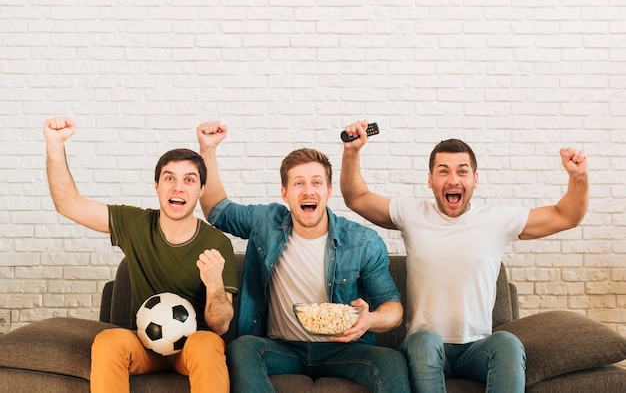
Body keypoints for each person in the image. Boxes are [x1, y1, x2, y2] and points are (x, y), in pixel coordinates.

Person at [340, 120, 589, 393]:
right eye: (443, 171)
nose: (453, 179)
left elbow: (567, 215)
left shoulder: (497, 220)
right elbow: (357, 197)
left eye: (462, 171)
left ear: (475, 179)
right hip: (424, 346)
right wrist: (352, 151)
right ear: (430, 179)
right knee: (425, 342)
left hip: (476, 348)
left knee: (506, 341)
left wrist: (578, 178)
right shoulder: (411, 213)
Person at [196, 120, 411, 393]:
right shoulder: (265, 222)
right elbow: (217, 210)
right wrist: (208, 149)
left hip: (343, 349)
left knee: (391, 361)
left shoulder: (362, 241)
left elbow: (393, 309)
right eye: (299, 183)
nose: (308, 191)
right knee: (241, 349)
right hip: (281, 348)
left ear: (328, 191)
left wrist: (369, 320)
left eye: (316, 183)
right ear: (285, 193)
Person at [44, 116, 238, 393]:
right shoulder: (135, 224)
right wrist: (54, 144)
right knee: (108, 340)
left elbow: (220, 325)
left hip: (191, 347)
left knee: (208, 344)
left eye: (189, 180)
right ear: (157, 186)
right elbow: (68, 204)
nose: (178, 187)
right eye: (169, 178)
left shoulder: (216, 244)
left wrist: (214, 283)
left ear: (201, 190)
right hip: (144, 344)